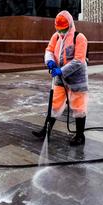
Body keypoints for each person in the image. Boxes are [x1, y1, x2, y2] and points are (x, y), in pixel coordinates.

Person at [33, 10, 88, 145]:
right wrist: (49, 61)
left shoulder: (79, 38)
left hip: (77, 78)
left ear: (69, 25)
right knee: (55, 103)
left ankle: (80, 136)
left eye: (63, 30)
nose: (61, 32)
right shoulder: (56, 37)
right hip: (59, 77)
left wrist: (61, 70)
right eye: (59, 29)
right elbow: (49, 50)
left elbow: (79, 61)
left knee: (78, 106)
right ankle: (46, 130)